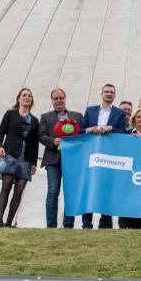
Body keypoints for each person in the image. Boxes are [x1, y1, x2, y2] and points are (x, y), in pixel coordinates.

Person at [82, 83, 128, 229]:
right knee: (89, 188)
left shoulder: (119, 113)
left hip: (109, 157)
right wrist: (91, 129)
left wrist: (110, 128)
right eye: (106, 92)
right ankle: (86, 223)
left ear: (114, 95)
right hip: (91, 155)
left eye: (112, 92)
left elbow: (123, 133)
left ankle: (104, 223)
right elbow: (81, 129)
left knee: (107, 188)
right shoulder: (90, 110)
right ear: (101, 94)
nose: (109, 94)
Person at [39, 87, 83, 228]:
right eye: (56, 98)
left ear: (65, 99)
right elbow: (41, 135)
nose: (59, 100)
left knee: (70, 193)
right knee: (53, 192)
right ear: (52, 100)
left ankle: (68, 225)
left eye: (61, 98)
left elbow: (83, 136)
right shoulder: (45, 116)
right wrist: (53, 141)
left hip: (72, 160)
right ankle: (51, 226)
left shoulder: (77, 116)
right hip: (53, 159)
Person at [0, 88, 38, 227]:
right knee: (6, 186)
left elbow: (35, 143)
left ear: (31, 100)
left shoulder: (35, 121)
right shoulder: (10, 114)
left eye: (29, 96)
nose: (27, 97)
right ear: (19, 99)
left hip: (26, 158)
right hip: (10, 155)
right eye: (24, 95)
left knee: (19, 190)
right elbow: (0, 132)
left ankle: (8, 223)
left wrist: (33, 162)